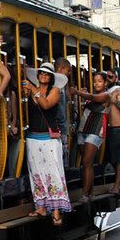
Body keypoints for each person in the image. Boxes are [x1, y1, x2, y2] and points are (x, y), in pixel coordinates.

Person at [22, 62, 71, 225]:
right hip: (33, 137)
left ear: (51, 77)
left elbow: (46, 104)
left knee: (54, 174)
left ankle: (56, 210)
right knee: (36, 174)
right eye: (41, 73)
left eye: (47, 74)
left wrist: (33, 89)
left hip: (49, 139)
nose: (43, 76)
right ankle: (41, 207)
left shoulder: (55, 90)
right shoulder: (32, 90)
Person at [70, 72, 110, 202]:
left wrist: (77, 92)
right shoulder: (89, 95)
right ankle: (90, 192)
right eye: (95, 81)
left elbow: (93, 97)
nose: (97, 83)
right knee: (86, 164)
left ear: (105, 83)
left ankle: (85, 195)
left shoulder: (106, 95)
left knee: (87, 162)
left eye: (99, 81)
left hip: (96, 131)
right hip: (83, 130)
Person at [54, 57, 72, 169]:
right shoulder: (58, 85)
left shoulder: (62, 84)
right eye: (68, 70)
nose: (69, 73)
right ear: (61, 69)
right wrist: (63, 128)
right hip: (59, 127)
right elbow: (60, 111)